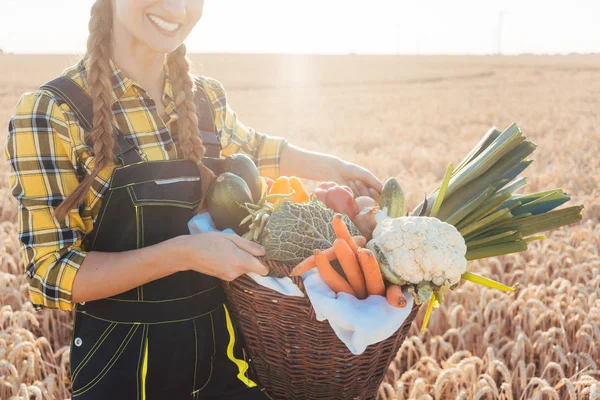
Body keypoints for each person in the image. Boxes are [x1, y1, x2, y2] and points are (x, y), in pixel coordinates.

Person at [4, 0, 383, 398]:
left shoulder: (203, 98)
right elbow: (51, 271)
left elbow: (252, 147)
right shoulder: (52, 112)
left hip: (228, 363)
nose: (176, 6)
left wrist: (334, 168)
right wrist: (185, 253)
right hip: (124, 372)